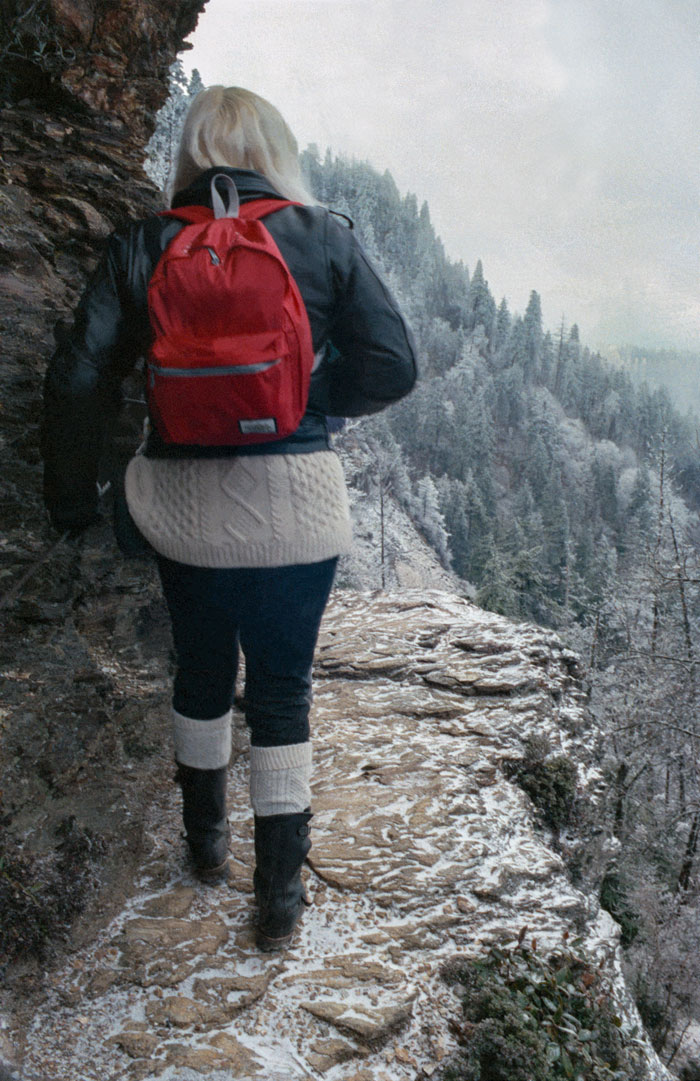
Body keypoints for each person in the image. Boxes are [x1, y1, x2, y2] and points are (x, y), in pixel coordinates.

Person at [42, 85, 417, 950]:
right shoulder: (324, 236)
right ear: (273, 153)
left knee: (201, 675)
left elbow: (77, 379)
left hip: (184, 513)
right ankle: (278, 895)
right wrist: (297, 399)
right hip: (299, 509)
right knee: (282, 694)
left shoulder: (145, 243)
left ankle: (205, 845)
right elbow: (396, 364)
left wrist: (72, 503)